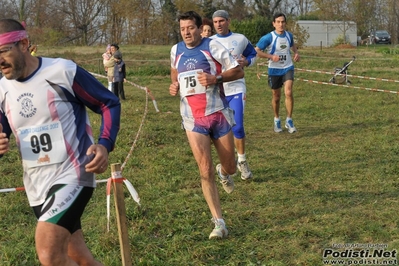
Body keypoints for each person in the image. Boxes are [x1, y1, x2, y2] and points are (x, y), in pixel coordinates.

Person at [0, 18, 121, 265]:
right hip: (36, 184)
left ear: (23, 44)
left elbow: (108, 102)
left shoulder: (61, 71)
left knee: (49, 254)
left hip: (73, 174)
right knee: (79, 257)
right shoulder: (1, 89)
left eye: (3, 51)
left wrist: (105, 143)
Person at [169, 11, 244, 239]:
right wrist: (173, 86)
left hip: (218, 114)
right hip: (192, 119)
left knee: (229, 167)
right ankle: (219, 222)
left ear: (200, 28)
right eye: (182, 29)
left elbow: (238, 70)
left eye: (190, 28)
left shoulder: (212, 47)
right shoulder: (175, 50)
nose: (186, 33)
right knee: (205, 170)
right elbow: (175, 74)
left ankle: (225, 173)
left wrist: (216, 79)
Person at [211, 10, 257, 180]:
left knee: (237, 126)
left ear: (228, 21)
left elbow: (253, 54)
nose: (218, 24)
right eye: (215, 22)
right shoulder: (209, 42)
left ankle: (242, 161)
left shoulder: (241, 38)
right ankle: (225, 165)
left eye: (221, 21)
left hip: (236, 87)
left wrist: (247, 61)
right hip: (217, 90)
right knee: (221, 130)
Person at [255, 12, 300, 133]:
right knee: (276, 97)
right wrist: (270, 56)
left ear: (285, 23)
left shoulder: (289, 36)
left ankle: (289, 120)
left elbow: (293, 46)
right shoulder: (268, 37)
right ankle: (276, 119)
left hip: (288, 67)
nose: (281, 24)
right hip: (274, 70)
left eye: (283, 22)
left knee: (289, 92)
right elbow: (257, 51)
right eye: (278, 22)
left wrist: (296, 53)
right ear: (274, 24)